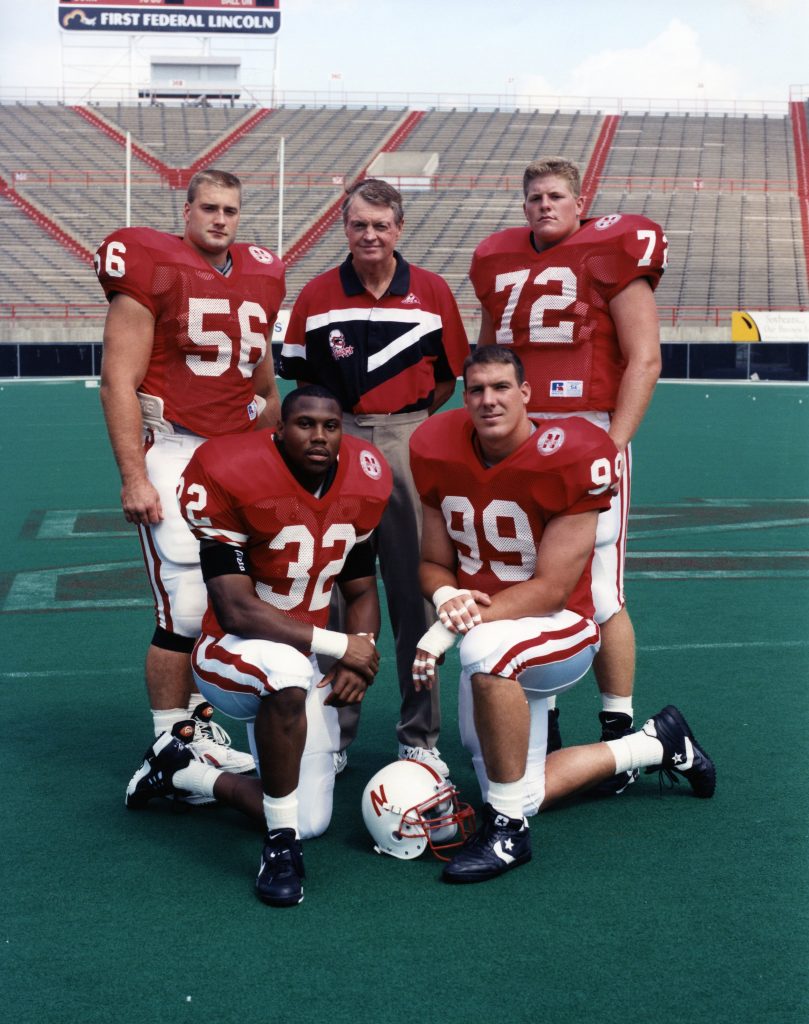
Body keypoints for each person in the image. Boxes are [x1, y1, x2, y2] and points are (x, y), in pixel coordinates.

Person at [409, 346, 714, 884]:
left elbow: (551, 590)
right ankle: (656, 743)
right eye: (476, 389)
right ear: (463, 395)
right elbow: (434, 562)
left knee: (484, 653)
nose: (488, 400)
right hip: (492, 630)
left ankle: (506, 834)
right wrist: (443, 599)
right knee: (517, 789)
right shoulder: (435, 446)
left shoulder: (572, 452)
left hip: (559, 629)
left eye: (502, 387)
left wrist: (444, 633)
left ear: (526, 393)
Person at [126, 386, 392, 907]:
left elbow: (361, 590)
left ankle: (182, 769)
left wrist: (360, 648)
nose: (319, 436)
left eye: (330, 426)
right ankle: (279, 846)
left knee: (311, 817)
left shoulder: (364, 479)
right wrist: (343, 644)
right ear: (279, 430)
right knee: (288, 674)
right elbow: (237, 610)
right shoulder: (231, 471)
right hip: (230, 651)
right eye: (305, 424)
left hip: (303, 656)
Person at [469, 157, 668, 791]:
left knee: (602, 588)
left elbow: (645, 359)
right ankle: (542, 720)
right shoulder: (496, 258)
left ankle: (619, 726)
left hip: (586, 429)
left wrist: (612, 444)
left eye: (556, 195)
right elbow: (485, 357)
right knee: (527, 576)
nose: (544, 205)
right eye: (534, 197)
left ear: (580, 202)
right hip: (518, 436)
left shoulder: (612, 247)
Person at [96, 168, 285, 788]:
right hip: (174, 446)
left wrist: (277, 452)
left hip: (240, 451)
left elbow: (263, 382)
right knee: (185, 602)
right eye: (208, 207)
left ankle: (200, 724)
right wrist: (133, 477)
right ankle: (167, 743)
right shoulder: (151, 263)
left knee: (246, 595)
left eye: (230, 209)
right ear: (186, 210)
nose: (220, 219)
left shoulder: (261, 273)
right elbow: (117, 380)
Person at [278, 178, 470, 776]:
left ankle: (420, 735)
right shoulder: (316, 294)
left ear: (399, 229)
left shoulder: (433, 291)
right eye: (359, 224)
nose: (370, 235)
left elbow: (447, 378)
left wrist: (406, 426)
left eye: (381, 225)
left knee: (415, 591)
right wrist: (346, 431)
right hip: (335, 442)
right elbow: (300, 380)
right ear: (345, 227)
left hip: (410, 438)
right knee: (331, 590)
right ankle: (333, 733)